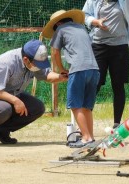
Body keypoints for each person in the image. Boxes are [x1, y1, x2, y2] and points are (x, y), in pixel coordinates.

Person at [0, 39, 68, 146]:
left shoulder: (32, 60)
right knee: (2, 109)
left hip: (9, 95)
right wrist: (15, 100)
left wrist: (61, 77)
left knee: (37, 107)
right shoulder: (5, 63)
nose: (39, 67)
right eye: (38, 64)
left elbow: (46, 75)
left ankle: (0, 130)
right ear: (26, 59)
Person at [82, 0, 129, 129]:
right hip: (98, 46)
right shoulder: (93, 1)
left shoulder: (125, 1)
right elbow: (84, 15)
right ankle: (84, 121)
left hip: (119, 47)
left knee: (118, 84)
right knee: (95, 83)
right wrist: (96, 22)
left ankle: (117, 124)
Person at [42, 9, 100, 148]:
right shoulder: (81, 28)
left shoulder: (60, 29)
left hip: (78, 69)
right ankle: (90, 138)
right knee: (87, 107)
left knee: (75, 105)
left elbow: (55, 52)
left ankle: (85, 138)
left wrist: (61, 69)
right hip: (94, 69)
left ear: (57, 23)